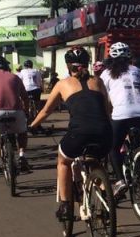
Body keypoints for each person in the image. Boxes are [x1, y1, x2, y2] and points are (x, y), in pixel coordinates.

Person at [30, 47, 112, 222]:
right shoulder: (98, 81)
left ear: (68, 67)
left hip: (79, 133)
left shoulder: (62, 84)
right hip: (104, 132)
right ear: (87, 65)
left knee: (63, 161)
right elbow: (108, 110)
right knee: (95, 161)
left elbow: (45, 111)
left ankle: (66, 206)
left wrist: (33, 125)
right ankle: (106, 197)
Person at [99, 42, 140, 198]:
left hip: (122, 113)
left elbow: (104, 98)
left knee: (113, 147)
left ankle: (120, 181)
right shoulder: (138, 71)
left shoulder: (107, 73)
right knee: (137, 143)